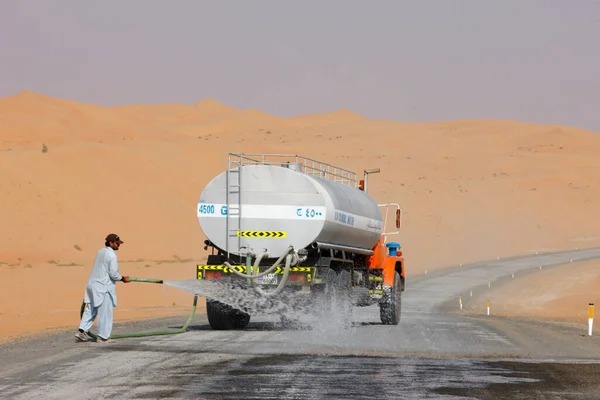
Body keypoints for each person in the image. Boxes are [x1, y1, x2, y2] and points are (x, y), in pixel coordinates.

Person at [75, 233, 130, 343]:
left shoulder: (100, 252)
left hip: (92, 284)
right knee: (105, 311)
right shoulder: (112, 256)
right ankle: (103, 337)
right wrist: (122, 278)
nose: (119, 245)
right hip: (102, 287)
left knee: (91, 309)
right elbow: (113, 274)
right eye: (117, 243)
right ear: (111, 243)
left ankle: (81, 331)